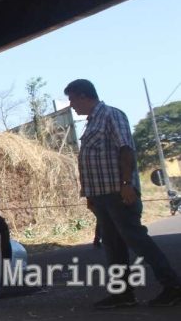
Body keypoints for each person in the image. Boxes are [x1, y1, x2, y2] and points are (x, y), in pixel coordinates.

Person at [65, 79, 181, 308]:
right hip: (101, 197)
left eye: (72, 99)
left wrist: (126, 183)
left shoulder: (111, 115)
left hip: (118, 194)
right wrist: (90, 195)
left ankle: (173, 286)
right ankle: (123, 293)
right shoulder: (90, 123)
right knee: (113, 245)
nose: (71, 105)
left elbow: (125, 148)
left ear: (83, 96)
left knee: (137, 240)